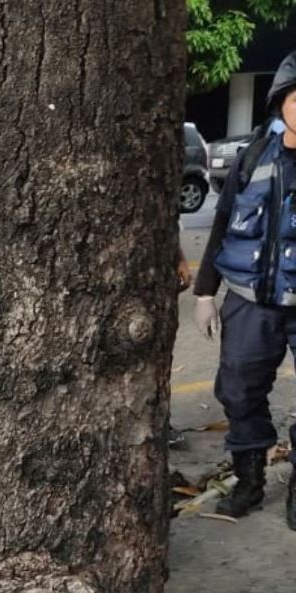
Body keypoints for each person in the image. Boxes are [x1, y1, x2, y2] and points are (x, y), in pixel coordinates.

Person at [193, 50, 296, 526]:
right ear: (280, 103)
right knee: (238, 391)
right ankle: (250, 480)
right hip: (250, 302)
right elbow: (221, 222)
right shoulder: (253, 155)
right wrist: (204, 293)